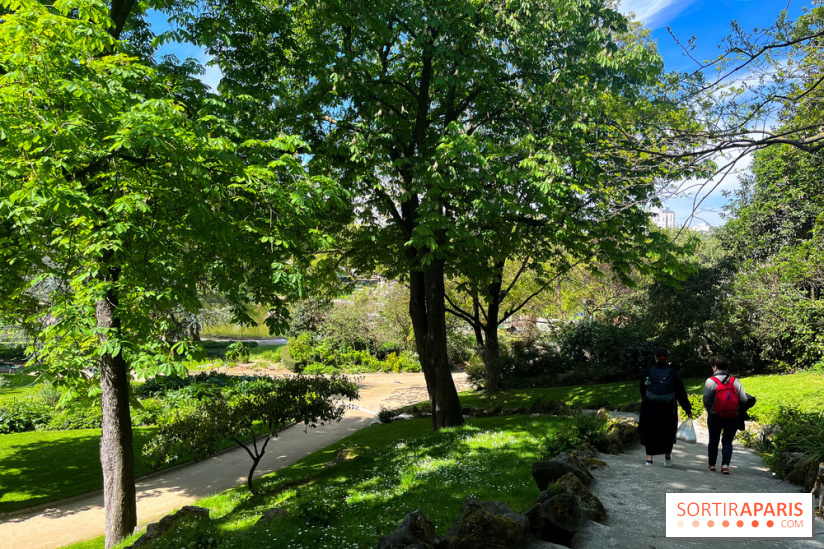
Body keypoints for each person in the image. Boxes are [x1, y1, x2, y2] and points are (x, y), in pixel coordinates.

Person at [639, 348, 693, 467]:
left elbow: (642, 388)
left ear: (656, 357)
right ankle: (667, 458)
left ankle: (649, 460)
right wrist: (687, 409)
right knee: (668, 431)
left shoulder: (649, 370)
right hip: (668, 407)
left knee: (650, 431)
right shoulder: (672, 373)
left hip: (650, 406)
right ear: (667, 358)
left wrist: (646, 400)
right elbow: (681, 393)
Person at [703, 355, 748, 474]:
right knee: (727, 441)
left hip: (715, 415)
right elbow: (743, 399)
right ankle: (725, 465)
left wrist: (710, 410)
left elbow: (706, 399)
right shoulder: (735, 381)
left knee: (713, 440)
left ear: (715, 367)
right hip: (733, 415)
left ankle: (712, 465)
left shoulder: (710, 381)